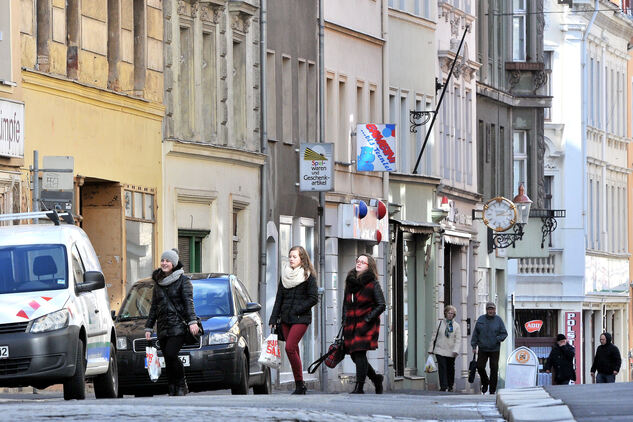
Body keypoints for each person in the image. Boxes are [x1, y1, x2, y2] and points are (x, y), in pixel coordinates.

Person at [144, 248, 199, 396]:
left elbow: (188, 302)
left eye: (168, 261)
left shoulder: (183, 281)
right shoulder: (158, 283)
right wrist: (149, 327)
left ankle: (181, 384)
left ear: (174, 263)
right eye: (163, 260)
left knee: (170, 354)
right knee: (168, 359)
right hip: (162, 326)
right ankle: (172, 387)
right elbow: (154, 307)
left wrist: (192, 321)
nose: (164, 263)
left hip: (178, 326)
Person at [269, 246, 318, 395]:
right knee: (293, 349)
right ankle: (300, 385)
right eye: (290, 256)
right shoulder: (285, 275)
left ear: (302, 259)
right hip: (285, 318)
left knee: (289, 347)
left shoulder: (308, 276)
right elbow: (279, 298)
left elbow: (313, 298)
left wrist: (298, 309)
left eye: (294, 256)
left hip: (301, 318)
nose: (291, 259)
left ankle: (299, 383)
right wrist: (273, 317)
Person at [342, 254, 386, 394]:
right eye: (358, 261)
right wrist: (344, 320)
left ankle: (359, 387)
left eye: (363, 262)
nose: (359, 263)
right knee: (355, 355)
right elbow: (345, 304)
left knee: (360, 354)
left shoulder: (373, 283)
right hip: (351, 324)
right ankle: (376, 378)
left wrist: (368, 318)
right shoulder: (350, 282)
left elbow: (381, 305)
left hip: (366, 325)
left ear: (369, 266)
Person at [470, 302, 507, 394]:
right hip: (482, 348)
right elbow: (475, 334)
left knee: (494, 369)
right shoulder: (481, 319)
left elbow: (504, 333)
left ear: (495, 310)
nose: (490, 311)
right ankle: (485, 382)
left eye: (492, 309)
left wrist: (497, 339)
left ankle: (492, 390)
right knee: (480, 366)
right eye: (489, 309)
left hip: (494, 349)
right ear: (486, 310)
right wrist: (474, 345)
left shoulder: (498, 320)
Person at [429, 305, 461, 392]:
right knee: (442, 367)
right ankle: (443, 386)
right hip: (439, 349)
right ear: (445, 313)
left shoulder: (456, 326)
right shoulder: (439, 324)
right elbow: (434, 336)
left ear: (454, 315)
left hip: (451, 351)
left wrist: (456, 350)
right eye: (448, 313)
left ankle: (450, 385)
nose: (450, 315)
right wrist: (431, 349)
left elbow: (458, 340)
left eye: (452, 313)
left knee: (450, 368)